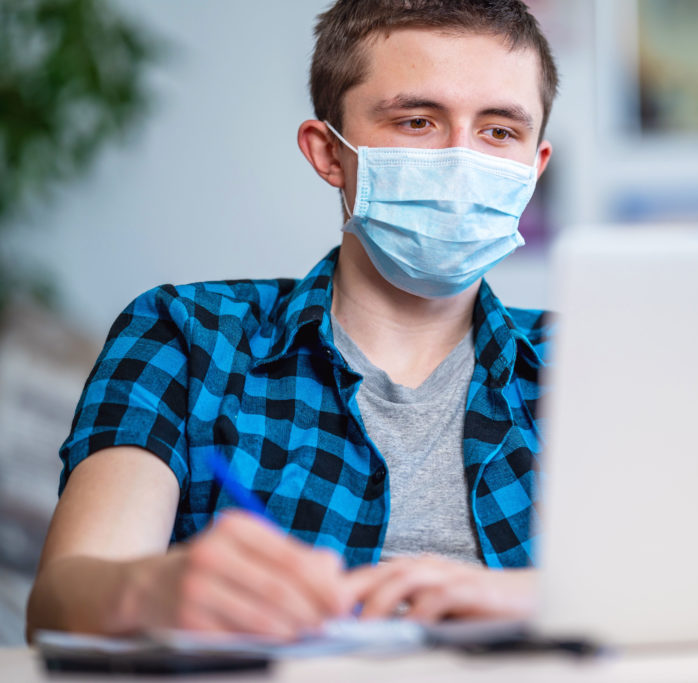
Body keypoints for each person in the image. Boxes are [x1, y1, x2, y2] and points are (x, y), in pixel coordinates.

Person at [26, 0, 557, 640]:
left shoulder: (590, 364)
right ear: (329, 153)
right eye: (417, 121)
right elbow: (61, 598)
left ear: (534, 167)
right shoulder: (184, 335)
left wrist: (543, 596)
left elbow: (697, 582)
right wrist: (148, 591)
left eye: (499, 131)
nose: (461, 161)